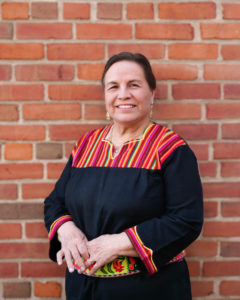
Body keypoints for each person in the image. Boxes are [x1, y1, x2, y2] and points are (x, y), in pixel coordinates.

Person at [44, 52, 203, 300]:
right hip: (82, 289)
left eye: (134, 85)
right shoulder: (87, 145)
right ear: (106, 96)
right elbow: (55, 202)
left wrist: (118, 243)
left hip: (149, 290)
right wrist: (66, 229)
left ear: (152, 93)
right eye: (113, 87)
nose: (123, 94)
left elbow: (186, 221)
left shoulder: (171, 150)